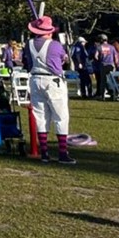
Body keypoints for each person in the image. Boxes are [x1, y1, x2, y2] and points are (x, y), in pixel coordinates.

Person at [23, 15, 75, 164]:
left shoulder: (29, 44)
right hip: (53, 81)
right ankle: (63, 153)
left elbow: (26, 62)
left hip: (35, 80)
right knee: (60, 116)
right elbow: (63, 59)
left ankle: (44, 152)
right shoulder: (55, 45)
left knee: (41, 116)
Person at [94, 34, 115, 100]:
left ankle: (102, 95)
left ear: (101, 40)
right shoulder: (112, 47)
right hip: (110, 65)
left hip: (103, 65)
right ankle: (112, 93)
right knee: (110, 79)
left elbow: (96, 56)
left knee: (103, 80)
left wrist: (99, 60)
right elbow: (116, 57)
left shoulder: (99, 47)